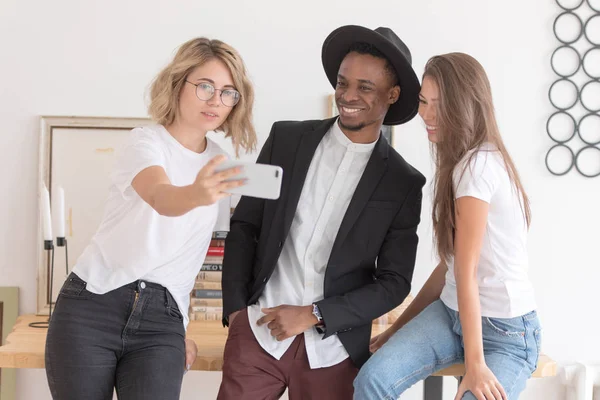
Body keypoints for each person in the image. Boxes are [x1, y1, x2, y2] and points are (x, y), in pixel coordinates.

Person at [217, 25, 425, 400]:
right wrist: (235, 312)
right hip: (257, 335)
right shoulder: (285, 140)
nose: (347, 96)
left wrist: (316, 314)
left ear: (391, 95)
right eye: (343, 83)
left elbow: (395, 282)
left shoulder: (403, 182)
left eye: (365, 87)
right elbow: (246, 225)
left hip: (334, 350)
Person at [44, 37, 257, 400]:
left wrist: (180, 330)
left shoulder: (221, 164)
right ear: (178, 83)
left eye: (227, 92)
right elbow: (162, 198)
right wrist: (197, 193)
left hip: (162, 321)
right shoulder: (144, 142)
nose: (215, 101)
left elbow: (190, 256)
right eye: (205, 86)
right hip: (93, 304)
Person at [353, 53, 541, 400]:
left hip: (506, 334)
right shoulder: (461, 164)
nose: (426, 114)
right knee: (372, 380)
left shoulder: (477, 168)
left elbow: (467, 275)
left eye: (440, 104)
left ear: (468, 106)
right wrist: (396, 329)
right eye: (424, 102)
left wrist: (475, 365)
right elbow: (451, 268)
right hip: (450, 314)